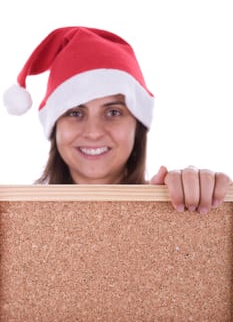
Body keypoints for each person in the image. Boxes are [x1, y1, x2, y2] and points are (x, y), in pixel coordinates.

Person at [3, 26, 231, 213]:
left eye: (113, 112)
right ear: (54, 127)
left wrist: (201, 204)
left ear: (137, 125)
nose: (93, 132)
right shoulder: (16, 222)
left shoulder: (171, 209)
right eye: (75, 113)